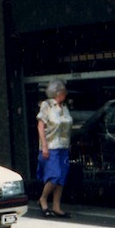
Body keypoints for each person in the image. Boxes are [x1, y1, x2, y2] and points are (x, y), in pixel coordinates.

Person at [36, 78, 73, 218]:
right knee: (54, 175)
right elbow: (40, 126)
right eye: (63, 91)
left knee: (62, 177)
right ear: (57, 92)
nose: (65, 94)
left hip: (63, 146)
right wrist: (44, 145)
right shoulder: (47, 105)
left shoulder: (64, 107)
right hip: (51, 146)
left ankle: (57, 206)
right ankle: (43, 199)